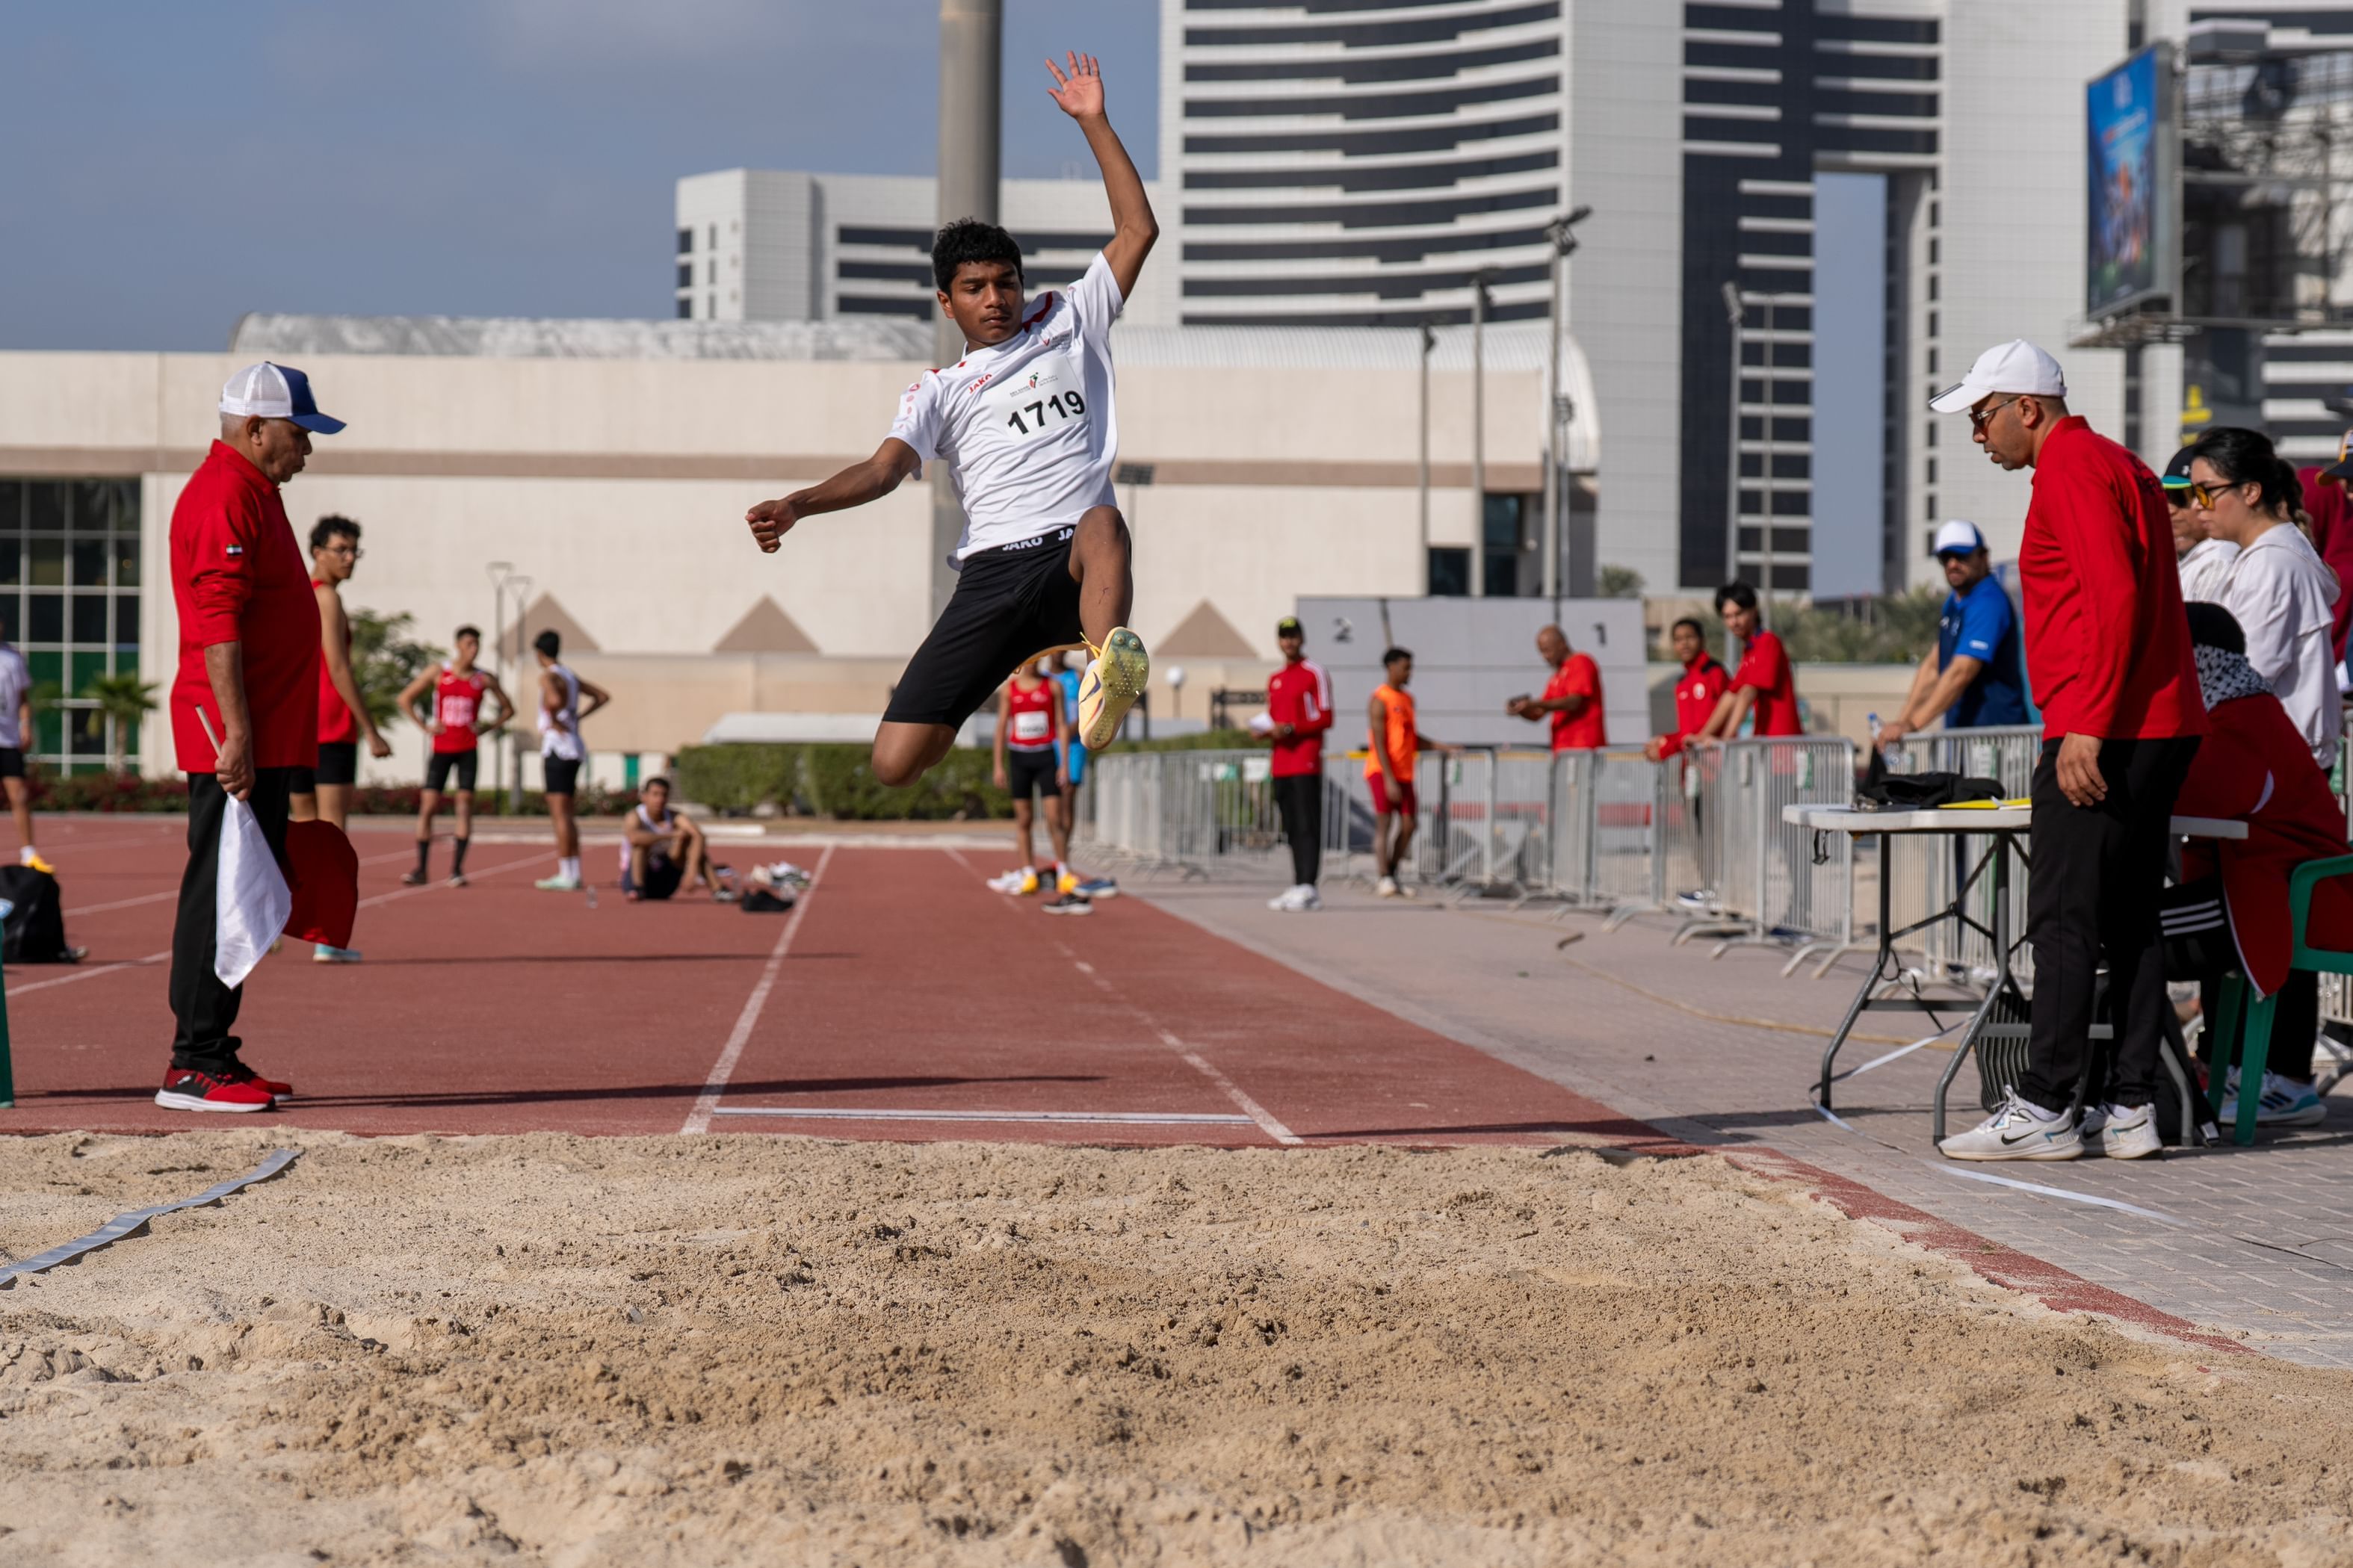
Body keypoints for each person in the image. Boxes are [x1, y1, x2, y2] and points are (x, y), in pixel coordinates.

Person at [743, 51, 1157, 792]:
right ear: (947, 301)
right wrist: (799, 503)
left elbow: (1135, 230)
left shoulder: (1070, 319)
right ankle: (970, 691)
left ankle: (1105, 672)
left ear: (1021, 283)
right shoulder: (939, 390)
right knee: (895, 764)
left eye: (1005, 282)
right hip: (992, 575)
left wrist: (1094, 122)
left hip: (1071, 554)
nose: (994, 299)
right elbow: (882, 469)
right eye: (974, 288)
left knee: (1105, 522)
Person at [1929, 339, 2205, 1162]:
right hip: (2153, 718)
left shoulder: (2072, 466)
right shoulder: (2112, 461)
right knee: (2128, 915)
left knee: (2060, 914)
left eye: (1980, 417)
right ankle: (2126, 1105)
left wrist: (2084, 721)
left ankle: (2047, 1102)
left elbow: (2113, 598)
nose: (1976, 435)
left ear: (2025, 408)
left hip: (2109, 722)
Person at [161, 362, 345, 1112]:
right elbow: (217, 625)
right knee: (219, 893)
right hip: (235, 735)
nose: (307, 450)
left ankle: (216, 1049)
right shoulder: (225, 494)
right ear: (257, 428)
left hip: (263, 734)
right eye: (300, 434)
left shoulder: (255, 492)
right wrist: (237, 733)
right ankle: (194, 1061)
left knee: (246, 894)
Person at [2171, 603, 2337, 1132]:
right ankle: (2222, 1070)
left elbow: (2207, 797)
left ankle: (2151, 1085)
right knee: (2134, 928)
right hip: (2274, 879)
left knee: (2128, 932)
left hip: (2290, 888)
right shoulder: (2245, 707)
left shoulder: (2239, 716)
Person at [2191, 427, 2343, 772]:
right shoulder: (2269, 556)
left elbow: (2245, 672)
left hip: (2281, 765)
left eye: (2207, 491)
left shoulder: (2272, 564)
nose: (2199, 505)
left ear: (2250, 492)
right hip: (2275, 757)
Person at [294, 515, 392, 963]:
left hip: (297, 729)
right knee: (332, 838)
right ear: (318, 551)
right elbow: (338, 668)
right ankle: (328, 939)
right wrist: (370, 728)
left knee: (302, 835)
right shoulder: (326, 597)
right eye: (341, 550)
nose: (350, 559)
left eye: (355, 551)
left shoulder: (297, 592)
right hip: (329, 729)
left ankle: (291, 926)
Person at [1875, 520, 2028, 749]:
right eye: (1946, 558)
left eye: (1962, 556)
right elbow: (1934, 667)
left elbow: (1962, 671)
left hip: (1998, 744)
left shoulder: (1989, 602)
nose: (1953, 564)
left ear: (1983, 557)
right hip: (1965, 741)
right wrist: (1902, 721)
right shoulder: (1955, 602)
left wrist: (1913, 725)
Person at [395, 625, 510, 888]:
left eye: (477, 645)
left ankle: (457, 870)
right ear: (458, 645)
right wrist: (425, 726)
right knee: (428, 806)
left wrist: (488, 727)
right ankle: (421, 869)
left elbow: (508, 709)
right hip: (441, 748)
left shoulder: (484, 679)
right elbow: (405, 699)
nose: (474, 649)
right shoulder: (440, 672)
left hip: (468, 748)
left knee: (464, 806)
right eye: (469, 644)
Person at [989, 657, 1089, 913]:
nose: (1032, 664)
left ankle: (1064, 871)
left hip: (1045, 756)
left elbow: (1062, 726)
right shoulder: (1009, 690)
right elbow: (1001, 727)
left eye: (1036, 659)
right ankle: (1029, 872)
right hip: (1019, 757)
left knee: (1055, 818)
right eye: (1028, 660)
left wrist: (1064, 763)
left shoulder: (1052, 687)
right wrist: (998, 765)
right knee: (1024, 820)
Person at [1263, 614, 1334, 912]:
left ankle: (1309, 885)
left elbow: (1326, 716)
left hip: (1304, 762)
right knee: (1291, 826)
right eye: (1284, 636)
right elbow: (1273, 718)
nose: (1289, 641)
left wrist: (1291, 728)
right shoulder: (1275, 679)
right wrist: (1264, 730)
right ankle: (1297, 883)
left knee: (1307, 824)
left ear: (1301, 639)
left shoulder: (1314, 673)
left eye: (1293, 635)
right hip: (1281, 764)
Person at [1367, 646, 1447, 899]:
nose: (1410, 672)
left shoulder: (1408, 699)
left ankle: (1392, 872)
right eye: (1406, 667)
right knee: (1385, 823)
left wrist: (1441, 746)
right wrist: (1389, 778)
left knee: (1410, 824)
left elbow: (1413, 738)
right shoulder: (1380, 699)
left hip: (1405, 772)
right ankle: (1383, 877)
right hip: (1383, 771)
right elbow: (1379, 741)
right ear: (1392, 667)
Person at [532, 628, 609, 892]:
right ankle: (573, 871)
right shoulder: (570, 676)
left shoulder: (549, 676)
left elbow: (553, 699)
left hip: (558, 748)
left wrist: (554, 718)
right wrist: (579, 716)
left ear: (539, 653)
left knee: (559, 815)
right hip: (574, 746)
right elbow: (602, 696)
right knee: (568, 814)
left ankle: (567, 872)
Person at [1692, 581, 1802, 743]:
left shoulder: (1768, 642)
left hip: (1783, 743)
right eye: (1727, 616)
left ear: (1754, 611)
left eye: (1739, 614)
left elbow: (1748, 692)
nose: (1734, 622)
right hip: (1764, 742)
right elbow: (1731, 695)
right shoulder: (1749, 651)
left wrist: (1725, 739)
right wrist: (1702, 737)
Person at [1050, 649, 1117, 900]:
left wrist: (1069, 729)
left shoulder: (1077, 676)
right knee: (1051, 806)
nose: (1058, 654)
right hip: (1050, 746)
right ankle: (1059, 860)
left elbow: (1087, 704)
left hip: (1074, 746)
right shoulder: (1045, 679)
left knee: (1068, 800)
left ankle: (1063, 856)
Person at [619, 776, 732, 902]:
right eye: (655, 795)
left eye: (664, 795)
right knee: (640, 846)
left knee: (691, 845)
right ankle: (638, 888)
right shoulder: (635, 816)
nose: (660, 799)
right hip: (639, 875)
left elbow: (698, 835)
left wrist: (692, 871)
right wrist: (670, 835)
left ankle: (718, 889)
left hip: (665, 880)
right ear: (644, 797)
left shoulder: (674, 816)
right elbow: (634, 838)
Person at [1506, 624, 1605, 752]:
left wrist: (1534, 704)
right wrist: (1521, 709)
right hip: (1561, 749)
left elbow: (1573, 702)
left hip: (1583, 748)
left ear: (1561, 644)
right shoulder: (1557, 676)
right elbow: (1538, 713)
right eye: (1542, 652)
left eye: (1547, 650)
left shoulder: (1581, 662)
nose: (1545, 657)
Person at [1643, 617, 1729, 762]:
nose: (1684, 643)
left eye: (1690, 637)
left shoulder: (1714, 673)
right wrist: (1665, 740)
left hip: (1716, 760)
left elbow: (1719, 721)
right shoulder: (1682, 683)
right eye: (1678, 639)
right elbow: (1687, 733)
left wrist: (1668, 749)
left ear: (1702, 640)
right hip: (1692, 763)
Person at [2162, 445, 2238, 604]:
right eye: (2165, 496)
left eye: (2180, 497)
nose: (2170, 509)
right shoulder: (2185, 557)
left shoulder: (2218, 559)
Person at [0, 636, 46, 873]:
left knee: (19, 796)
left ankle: (29, 853)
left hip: (7, 741)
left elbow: (23, 699)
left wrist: (25, 724)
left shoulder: (12, 658)